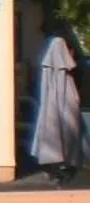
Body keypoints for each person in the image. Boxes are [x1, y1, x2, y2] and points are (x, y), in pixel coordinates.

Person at [29, 22, 84, 184]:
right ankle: (61, 168)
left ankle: (60, 168)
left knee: (64, 133)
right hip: (61, 101)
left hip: (60, 100)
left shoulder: (54, 63)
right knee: (65, 133)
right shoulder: (58, 48)